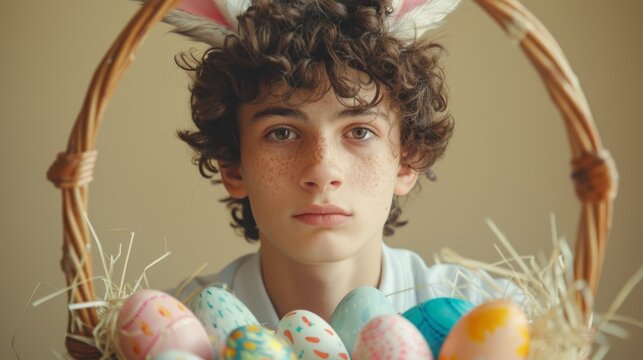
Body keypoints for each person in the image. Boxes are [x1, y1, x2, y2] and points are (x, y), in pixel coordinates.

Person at [171, 0, 517, 328]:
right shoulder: (172, 327)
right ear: (233, 165)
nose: (322, 171)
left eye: (361, 132)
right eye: (281, 134)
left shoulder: (492, 314)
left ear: (407, 162)